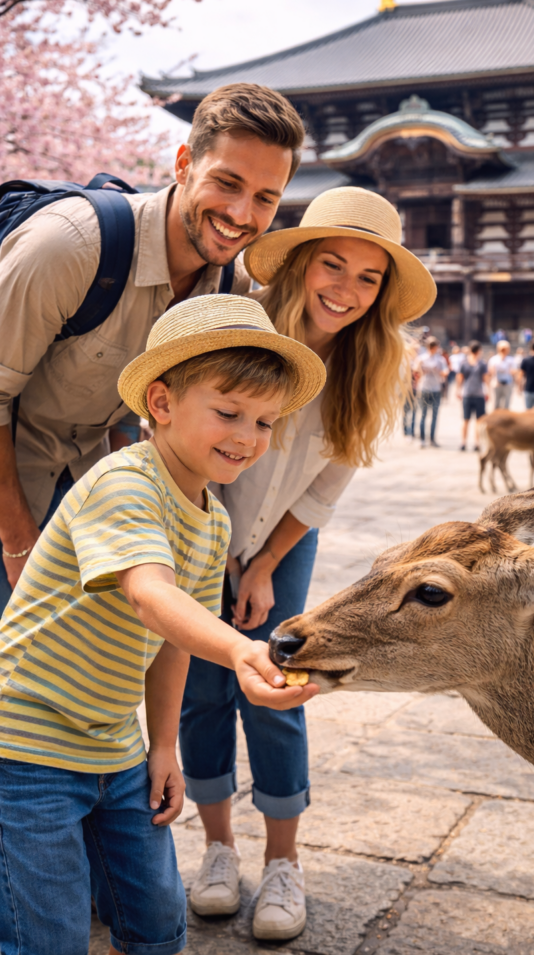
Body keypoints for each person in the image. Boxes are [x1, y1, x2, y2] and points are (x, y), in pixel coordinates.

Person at [0, 293, 325, 955]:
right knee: (49, 937)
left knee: (156, 924)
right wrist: (241, 650)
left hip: (115, 748)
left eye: (265, 422)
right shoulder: (124, 484)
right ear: (162, 403)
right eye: (229, 412)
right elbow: (150, 596)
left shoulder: (212, 520)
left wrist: (165, 747)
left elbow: (174, 638)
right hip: (24, 748)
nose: (247, 437)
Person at [178, 186, 435, 941]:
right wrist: (211, 551)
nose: (346, 290)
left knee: (282, 685)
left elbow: (328, 480)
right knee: (200, 690)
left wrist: (262, 567)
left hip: (285, 540)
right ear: (298, 265)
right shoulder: (241, 326)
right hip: (194, 526)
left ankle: (285, 861)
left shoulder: (374, 361)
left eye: (368, 277)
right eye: (333, 264)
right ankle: (218, 850)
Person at [0, 82, 306, 611]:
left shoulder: (227, 289)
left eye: (265, 198)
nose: (240, 213)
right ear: (183, 163)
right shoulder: (68, 248)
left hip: (86, 492)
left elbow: (140, 397)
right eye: (227, 182)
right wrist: (19, 541)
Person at [457, 340, 489, 450]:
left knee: (470, 420)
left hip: (470, 393)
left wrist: (458, 390)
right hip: (475, 393)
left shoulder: (467, 363)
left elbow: (460, 378)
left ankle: (466, 442)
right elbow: (485, 379)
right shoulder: (480, 363)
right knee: (473, 420)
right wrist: (488, 391)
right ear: (479, 350)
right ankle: (473, 443)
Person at [417, 337, 448, 447]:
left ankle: (432, 439)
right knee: (423, 415)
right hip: (424, 388)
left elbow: (445, 373)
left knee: (434, 415)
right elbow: (416, 373)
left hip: (436, 389)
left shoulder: (440, 359)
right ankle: (422, 439)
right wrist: (423, 370)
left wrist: (437, 370)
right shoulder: (421, 358)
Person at [487, 339, 516, 409]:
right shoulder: (494, 359)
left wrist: (510, 371)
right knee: (495, 404)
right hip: (496, 384)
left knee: (507, 405)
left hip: (508, 384)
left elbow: (515, 372)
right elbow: (489, 373)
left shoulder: (511, 360)